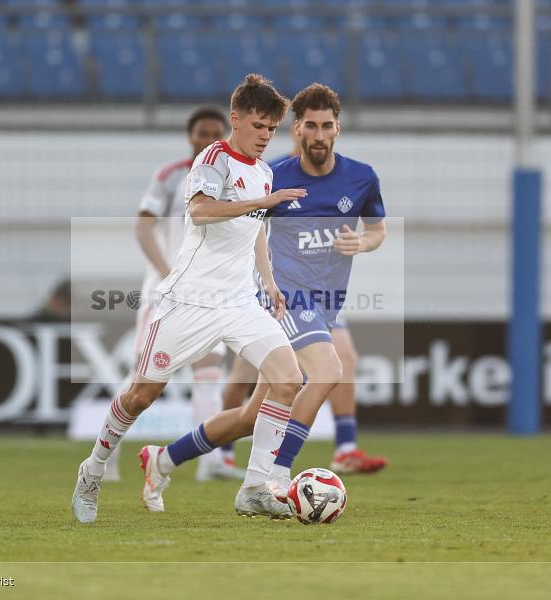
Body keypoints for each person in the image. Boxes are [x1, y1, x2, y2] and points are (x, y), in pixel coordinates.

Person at [138, 82, 387, 512]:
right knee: (328, 370)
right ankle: (275, 478)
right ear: (297, 129)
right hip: (284, 297)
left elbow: (378, 230)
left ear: (338, 128)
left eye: (327, 125)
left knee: (253, 416)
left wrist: (362, 243)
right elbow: (233, 224)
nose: (319, 134)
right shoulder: (271, 174)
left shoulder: (361, 177)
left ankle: (163, 459)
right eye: (310, 125)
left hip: (326, 303)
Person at [72, 74, 306, 523]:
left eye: (272, 130)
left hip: (239, 303)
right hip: (190, 301)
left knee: (288, 379)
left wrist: (269, 282)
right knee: (141, 395)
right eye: (259, 126)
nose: (265, 137)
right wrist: (267, 200)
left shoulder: (264, 171)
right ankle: (94, 467)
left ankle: (255, 486)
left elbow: (255, 228)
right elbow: (200, 210)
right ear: (235, 119)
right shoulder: (212, 159)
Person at [106, 106, 244, 482]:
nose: (208, 139)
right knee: (143, 375)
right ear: (190, 137)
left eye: (216, 133)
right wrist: (168, 274)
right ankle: (107, 450)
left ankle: (210, 462)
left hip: (208, 292)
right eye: (202, 132)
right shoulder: (171, 176)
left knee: (209, 371)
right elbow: (144, 228)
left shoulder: (234, 177)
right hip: (165, 289)